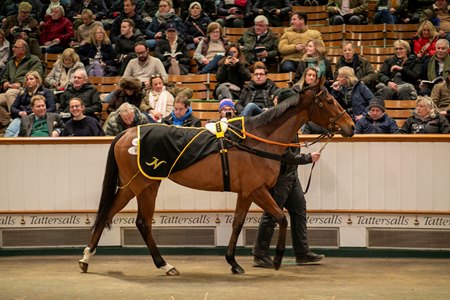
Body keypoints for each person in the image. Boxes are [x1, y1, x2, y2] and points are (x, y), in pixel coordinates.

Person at [252, 88, 324, 268]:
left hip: (291, 176)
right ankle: (259, 254)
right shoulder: (278, 125)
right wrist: (308, 158)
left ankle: (302, 253)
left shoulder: (289, 122)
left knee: (299, 212)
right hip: (280, 176)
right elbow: (283, 155)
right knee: (272, 215)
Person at [0, 39, 43, 129]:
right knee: (7, 94)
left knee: (10, 93)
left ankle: (19, 121)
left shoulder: (34, 60)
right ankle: (7, 123)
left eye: (16, 47)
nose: (13, 49)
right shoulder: (11, 61)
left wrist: (20, 84)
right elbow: (4, 75)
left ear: (23, 50)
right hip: (11, 88)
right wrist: (4, 81)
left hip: (25, 89)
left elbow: (37, 75)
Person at [5, 71, 56, 137]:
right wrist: (19, 112)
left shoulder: (46, 92)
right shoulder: (22, 92)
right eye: (27, 80)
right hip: (22, 117)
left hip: (36, 118)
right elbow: (13, 107)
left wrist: (36, 113)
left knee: (17, 135)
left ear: (37, 80)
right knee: (9, 132)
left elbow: (52, 108)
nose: (28, 81)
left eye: (31, 79)